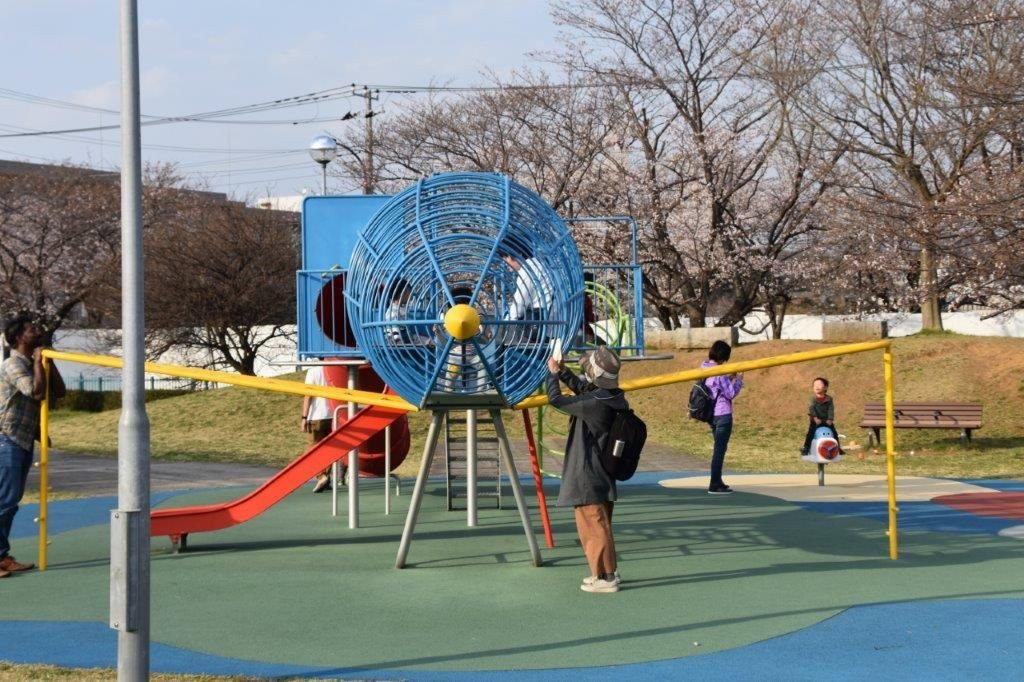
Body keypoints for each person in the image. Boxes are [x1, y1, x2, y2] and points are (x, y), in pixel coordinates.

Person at [547, 345, 628, 594]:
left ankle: (604, 577)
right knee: (601, 523)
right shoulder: (614, 397)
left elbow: (556, 400)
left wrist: (551, 375)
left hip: (588, 471)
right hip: (604, 471)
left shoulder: (595, 404)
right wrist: (563, 373)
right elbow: (585, 391)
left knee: (593, 526)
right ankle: (607, 572)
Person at [1, 313, 65, 577]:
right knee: (5, 500)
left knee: (10, 500)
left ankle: (2, 557)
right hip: (6, 438)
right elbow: (36, 392)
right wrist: (39, 363)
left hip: (22, 439)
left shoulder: (33, 362)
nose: (36, 331)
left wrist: (49, 361)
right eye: (31, 329)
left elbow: (58, 392)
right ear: (18, 338)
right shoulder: (13, 364)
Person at [701, 340, 743, 495]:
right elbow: (730, 393)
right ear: (724, 356)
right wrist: (738, 379)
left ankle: (717, 480)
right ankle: (714, 483)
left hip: (711, 414)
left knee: (719, 448)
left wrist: (729, 377)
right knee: (719, 450)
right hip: (723, 414)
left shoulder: (704, 367)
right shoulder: (719, 371)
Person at [301, 364, 343, 494]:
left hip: (316, 416)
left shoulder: (312, 371)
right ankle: (326, 478)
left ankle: (321, 476)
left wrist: (304, 417)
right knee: (329, 449)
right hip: (333, 414)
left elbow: (308, 396)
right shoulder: (332, 368)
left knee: (313, 450)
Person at [502, 252, 554, 342]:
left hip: (538, 320)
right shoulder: (537, 264)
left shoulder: (527, 270)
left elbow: (520, 303)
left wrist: (506, 323)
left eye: (506, 259)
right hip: (549, 318)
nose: (506, 264)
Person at [800, 377, 843, 457]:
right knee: (810, 434)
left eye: (819, 385)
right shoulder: (812, 398)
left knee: (834, 433)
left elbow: (831, 409)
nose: (816, 386)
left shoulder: (829, 399)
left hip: (826, 420)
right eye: (815, 385)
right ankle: (806, 448)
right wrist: (815, 418)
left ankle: (837, 448)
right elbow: (811, 408)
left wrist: (830, 419)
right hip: (815, 420)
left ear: (825, 387)